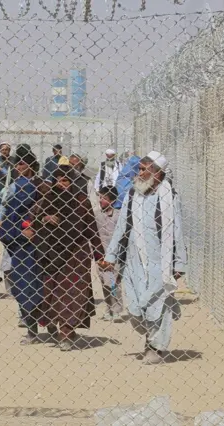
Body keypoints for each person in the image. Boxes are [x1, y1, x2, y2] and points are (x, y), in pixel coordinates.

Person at [100, 151, 187, 365]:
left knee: (158, 304)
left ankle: (154, 347)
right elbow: (122, 227)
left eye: (143, 169)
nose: (138, 173)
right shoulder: (132, 194)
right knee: (137, 308)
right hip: (134, 260)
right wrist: (110, 255)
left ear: (157, 173)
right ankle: (149, 337)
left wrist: (179, 262)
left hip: (160, 261)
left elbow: (177, 229)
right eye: (139, 169)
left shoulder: (169, 196)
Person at [34, 165, 104, 351]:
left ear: (72, 182)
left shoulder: (81, 202)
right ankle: (62, 327)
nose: (61, 184)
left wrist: (100, 256)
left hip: (77, 255)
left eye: (65, 180)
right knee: (54, 293)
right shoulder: (47, 201)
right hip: (53, 255)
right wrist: (45, 219)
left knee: (75, 293)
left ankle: (66, 330)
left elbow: (92, 231)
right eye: (57, 180)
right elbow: (32, 221)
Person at [0, 149, 44, 343]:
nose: (19, 167)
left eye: (23, 164)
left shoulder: (41, 187)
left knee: (42, 287)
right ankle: (31, 329)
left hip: (40, 246)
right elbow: (8, 214)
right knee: (23, 286)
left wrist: (36, 226)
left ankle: (48, 327)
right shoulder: (14, 188)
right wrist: (13, 230)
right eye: (17, 164)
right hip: (19, 246)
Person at [94, 186, 123, 321]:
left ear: (112, 201)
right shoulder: (96, 215)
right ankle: (108, 309)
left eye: (104, 198)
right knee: (103, 282)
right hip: (100, 254)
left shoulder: (118, 216)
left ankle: (116, 309)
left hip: (114, 256)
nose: (101, 200)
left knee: (112, 282)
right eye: (100, 197)